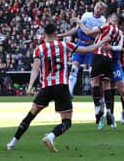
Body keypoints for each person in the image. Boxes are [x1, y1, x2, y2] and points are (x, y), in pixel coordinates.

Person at [6, 23, 108, 152]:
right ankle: (51, 136)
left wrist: (30, 86)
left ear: (45, 35)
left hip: (46, 87)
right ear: (56, 34)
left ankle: (12, 143)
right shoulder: (65, 45)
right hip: (61, 86)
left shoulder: (39, 49)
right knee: (67, 121)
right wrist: (101, 42)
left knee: (30, 115)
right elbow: (87, 50)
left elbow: (35, 69)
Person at [71, 13, 123, 128]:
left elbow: (88, 33)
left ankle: (98, 108)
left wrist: (80, 23)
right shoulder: (119, 33)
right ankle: (109, 110)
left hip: (98, 55)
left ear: (111, 20)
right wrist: (111, 48)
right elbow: (119, 47)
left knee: (95, 82)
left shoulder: (105, 26)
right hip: (109, 59)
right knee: (107, 85)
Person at [58, 2, 107, 96]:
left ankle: (96, 93)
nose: (98, 10)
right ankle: (69, 92)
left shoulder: (102, 21)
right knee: (74, 68)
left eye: (100, 9)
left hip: (92, 47)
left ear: (103, 11)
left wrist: (82, 25)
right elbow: (77, 29)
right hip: (80, 44)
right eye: (97, 7)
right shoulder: (86, 15)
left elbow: (94, 34)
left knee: (92, 72)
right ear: (94, 7)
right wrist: (63, 35)